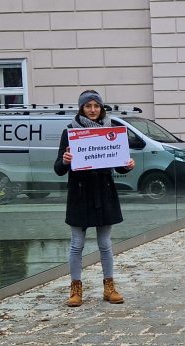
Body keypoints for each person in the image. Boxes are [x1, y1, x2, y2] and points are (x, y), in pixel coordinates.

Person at [54, 90, 136, 307]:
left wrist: (127, 165)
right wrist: (65, 160)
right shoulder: (70, 131)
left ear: (101, 108)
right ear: (81, 108)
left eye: (96, 106)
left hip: (103, 191)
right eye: (88, 106)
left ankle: (109, 287)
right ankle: (76, 288)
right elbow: (58, 169)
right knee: (77, 244)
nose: (92, 110)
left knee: (105, 243)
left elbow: (118, 163)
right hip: (80, 193)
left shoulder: (112, 131)